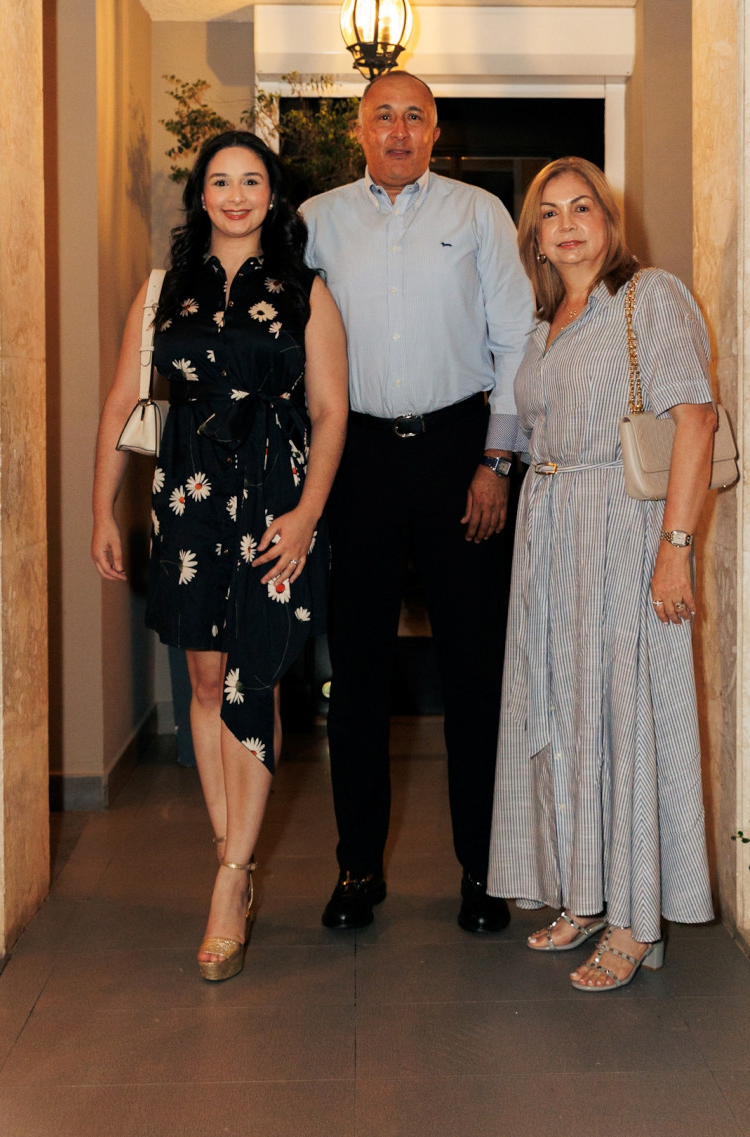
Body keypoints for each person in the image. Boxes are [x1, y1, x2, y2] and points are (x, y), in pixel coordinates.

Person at [91, 131, 348, 981]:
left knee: (255, 681)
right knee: (205, 683)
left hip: (277, 501)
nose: (235, 194)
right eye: (219, 181)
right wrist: (103, 505)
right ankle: (230, 850)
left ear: (272, 195)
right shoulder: (164, 290)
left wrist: (309, 514)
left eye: (251, 180)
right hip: (189, 501)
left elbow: (330, 410)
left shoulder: (306, 290)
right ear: (200, 195)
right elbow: (126, 402)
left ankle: (230, 878)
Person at [300, 71, 534, 933]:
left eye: (416, 118)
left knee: (474, 671)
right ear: (360, 129)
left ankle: (483, 869)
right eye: (382, 116)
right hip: (354, 455)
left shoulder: (478, 215)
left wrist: (495, 462)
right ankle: (358, 868)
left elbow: (515, 339)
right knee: (355, 672)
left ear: (437, 132)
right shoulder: (317, 221)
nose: (398, 131)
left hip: (458, 450)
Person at [487, 156, 717, 990]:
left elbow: (694, 421)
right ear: (537, 239)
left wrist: (675, 548)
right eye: (551, 213)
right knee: (566, 709)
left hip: (620, 529)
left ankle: (632, 920)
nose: (569, 222)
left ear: (609, 222)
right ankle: (585, 893)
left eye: (584, 206)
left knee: (622, 717)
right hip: (548, 536)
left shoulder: (647, 298)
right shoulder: (547, 322)